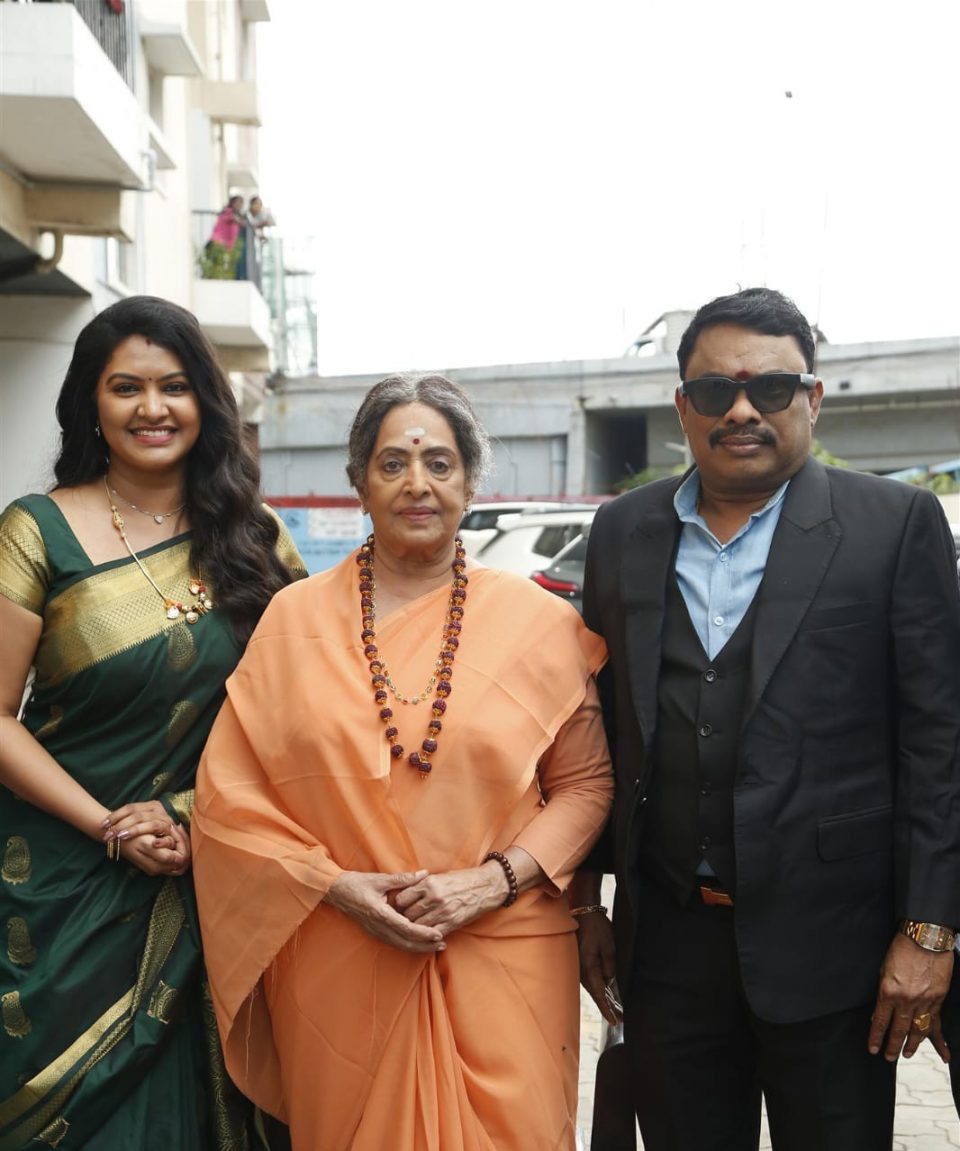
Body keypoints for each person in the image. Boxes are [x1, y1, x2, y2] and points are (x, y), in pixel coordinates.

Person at [571, 287, 960, 1151]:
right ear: (683, 406)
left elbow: (940, 742)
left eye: (771, 388)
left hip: (838, 951)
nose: (742, 410)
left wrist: (930, 930)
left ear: (812, 398)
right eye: (716, 391)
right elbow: (595, 728)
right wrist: (585, 903)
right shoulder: (624, 531)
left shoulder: (892, 525)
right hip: (669, 946)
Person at [192, 373, 614, 1151]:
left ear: (471, 481)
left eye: (440, 463)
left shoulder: (540, 622)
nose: (417, 483)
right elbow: (230, 800)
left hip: (505, 946)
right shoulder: (293, 620)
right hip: (340, 950)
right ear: (359, 481)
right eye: (392, 463)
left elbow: (585, 784)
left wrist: (491, 881)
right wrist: (335, 885)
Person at [0, 295, 306, 1150]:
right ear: (90, 403)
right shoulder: (36, 531)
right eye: (125, 387)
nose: (152, 408)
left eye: (173, 386)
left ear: (205, 399)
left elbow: (304, 711)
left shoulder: (256, 538)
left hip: (220, 865)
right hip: (65, 882)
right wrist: (110, 824)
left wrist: (190, 814)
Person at [202, 194, 245, 279]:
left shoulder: (236, 215)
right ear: (232, 203)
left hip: (225, 247)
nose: (238, 205)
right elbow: (236, 220)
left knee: (219, 270)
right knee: (215, 270)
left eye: (240, 203)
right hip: (216, 244)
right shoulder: (228, 211)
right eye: (237, 202)